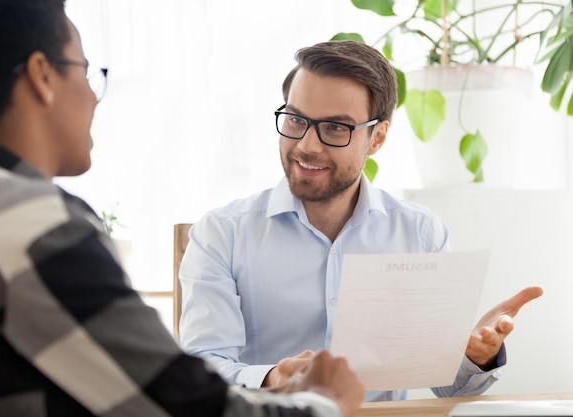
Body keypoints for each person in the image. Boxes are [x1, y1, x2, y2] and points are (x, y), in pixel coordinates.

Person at [0, 1, 366, 416]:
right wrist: (325, 403)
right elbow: (181, 405)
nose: (94, 99)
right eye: (86, 72)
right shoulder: (30, 222)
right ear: (42, 76)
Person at [178, 40, 544, 401]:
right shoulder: (221, 235)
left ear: (377, 138)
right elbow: (201, 372)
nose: (308, 145)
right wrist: (271, 378)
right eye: (295, 119)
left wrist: (473, 358)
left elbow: (448, 386)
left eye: (336, 128)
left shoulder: (419, 233)